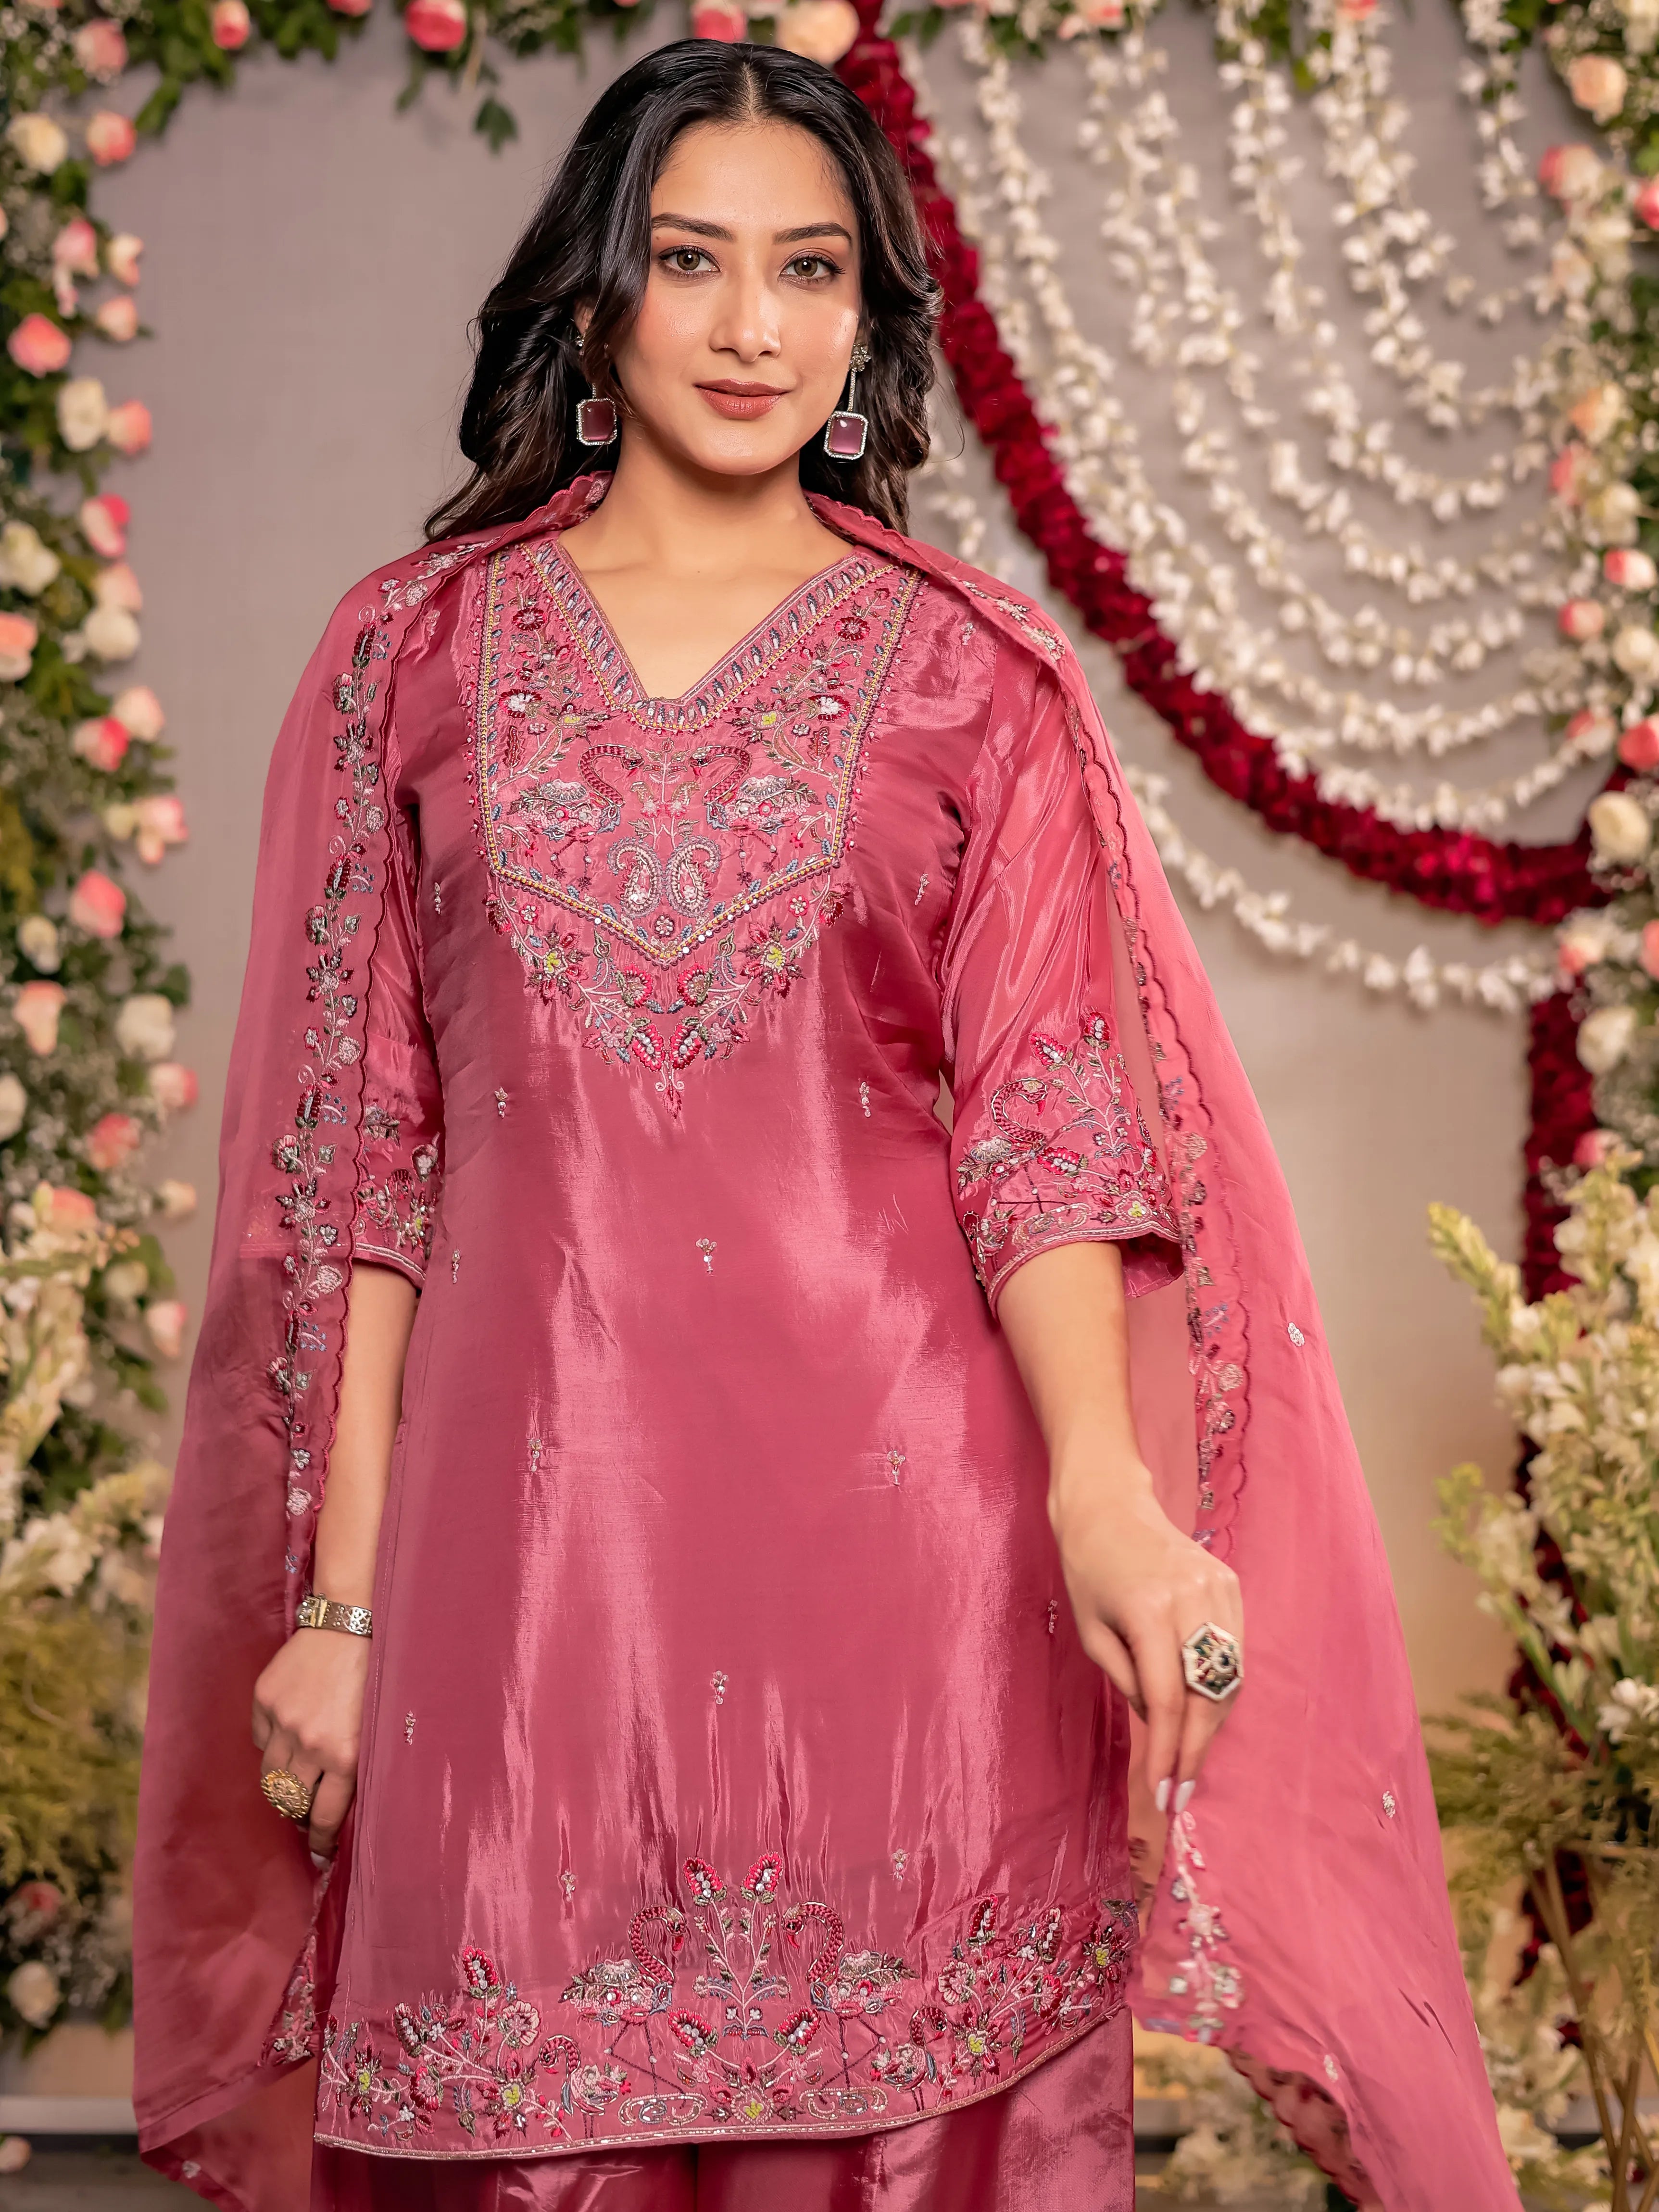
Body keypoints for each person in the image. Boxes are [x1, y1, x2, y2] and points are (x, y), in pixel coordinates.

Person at [132, 38, 1515, 2212]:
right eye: (690, 263)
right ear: (593, 296)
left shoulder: (971, 677)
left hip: (913, 1594)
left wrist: (1100, 1502)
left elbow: (1049, 1144)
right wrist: (344, 1604)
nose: (751, 326)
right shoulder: (409, 659)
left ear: (869, 324)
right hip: (519, 1593)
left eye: (807, 273)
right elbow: (360, 1175)